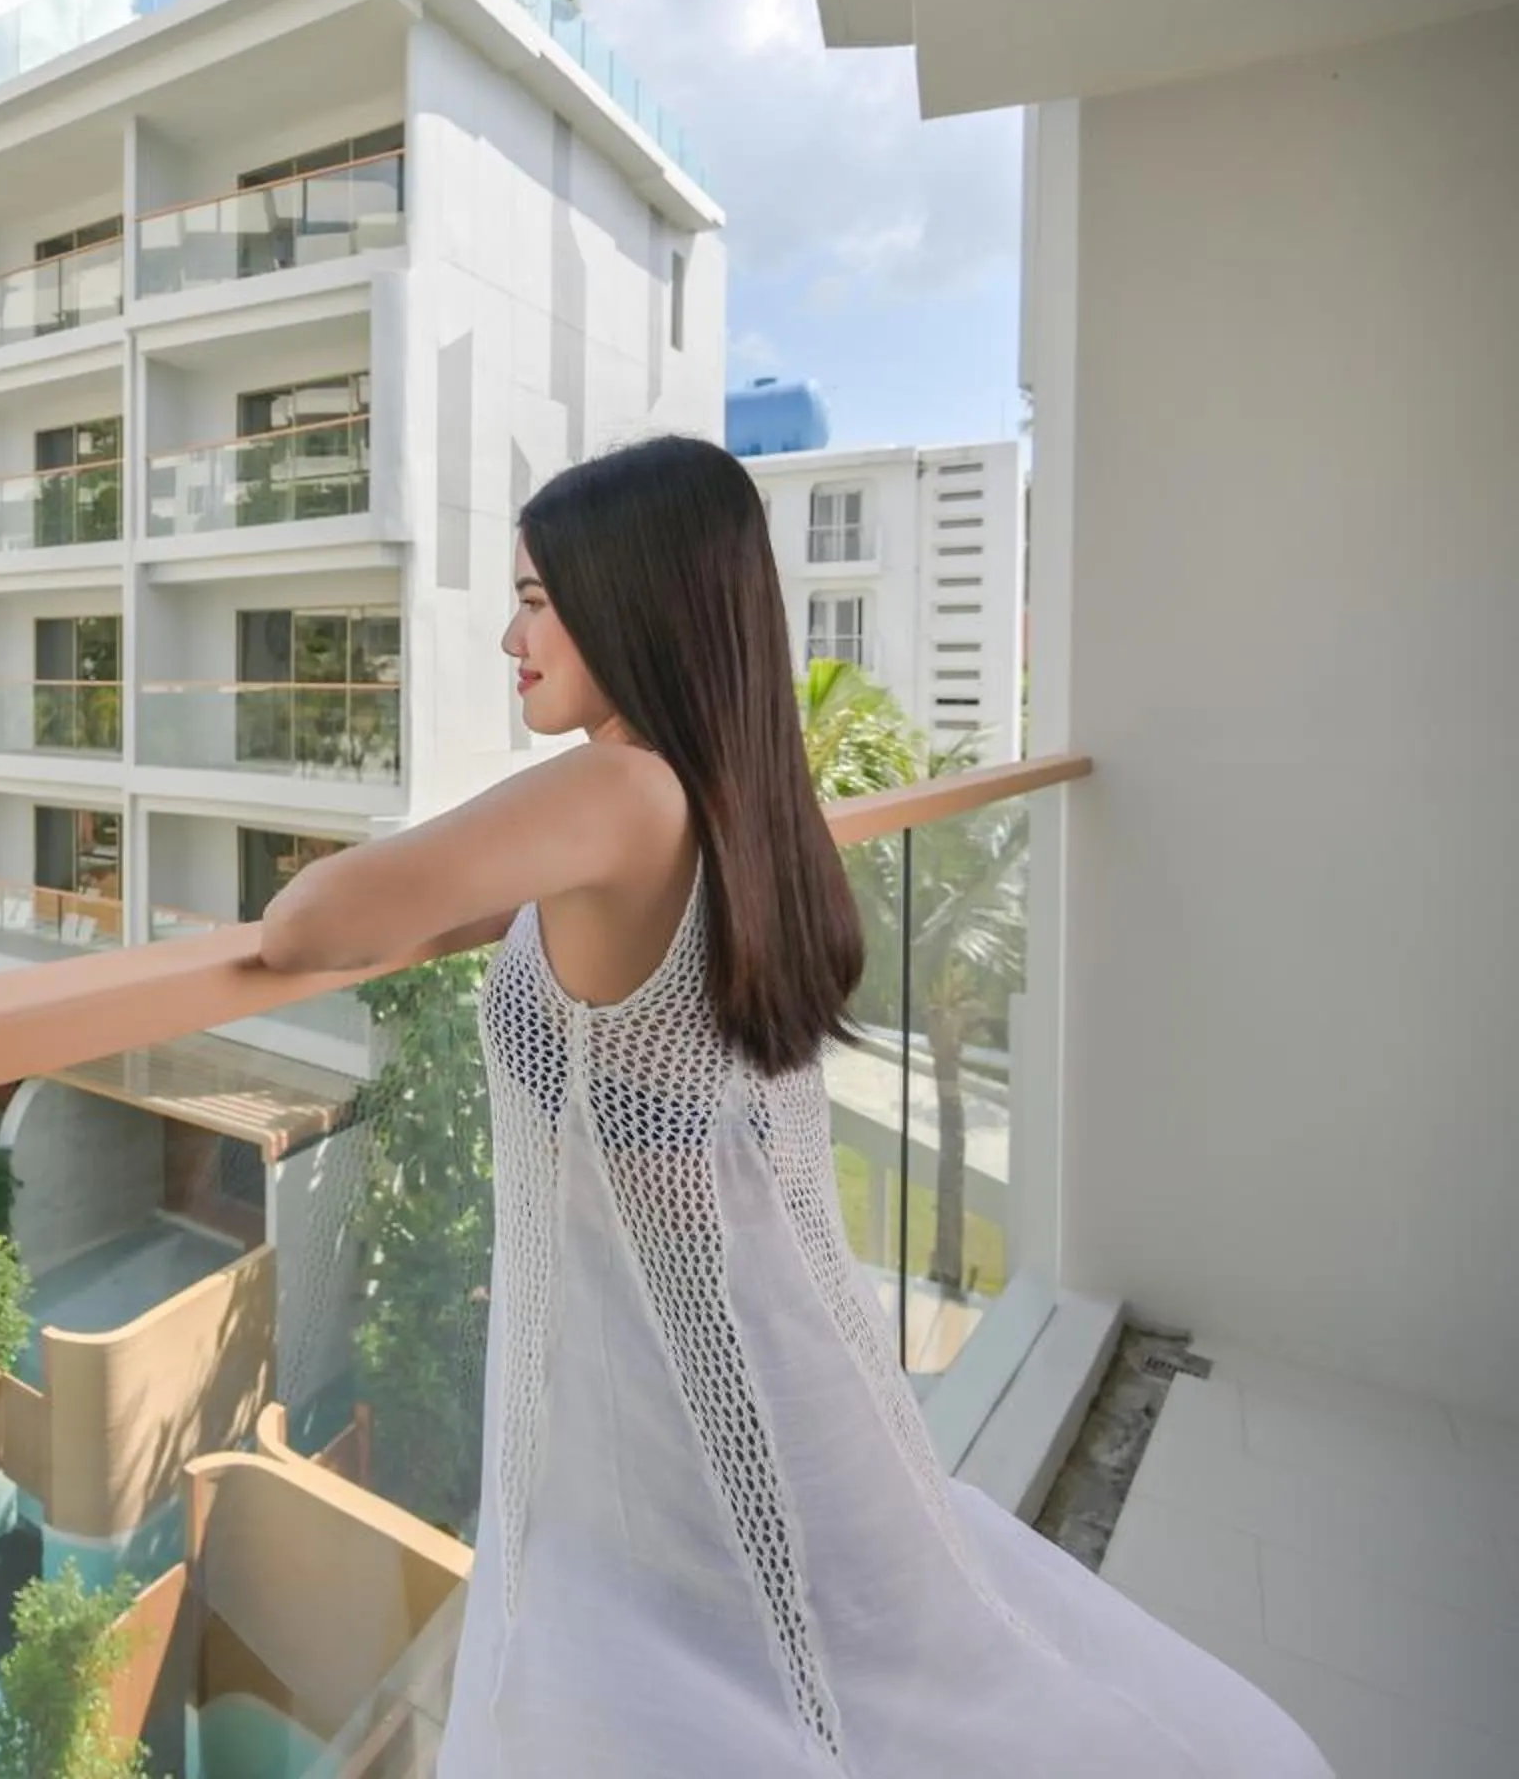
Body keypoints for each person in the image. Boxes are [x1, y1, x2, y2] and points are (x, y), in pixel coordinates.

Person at [254, 437, 1328, 1775]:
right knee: (888, 1702)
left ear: (632, 600)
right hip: (773, 1367)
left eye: (537, 598)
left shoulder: (618, 790)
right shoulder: (737, 792)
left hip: (699, 1411)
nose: (509, 634)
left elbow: (309, 925)